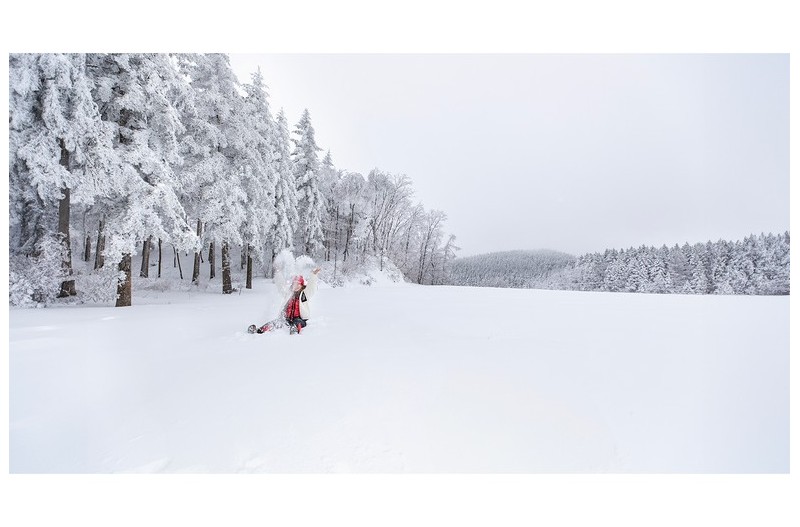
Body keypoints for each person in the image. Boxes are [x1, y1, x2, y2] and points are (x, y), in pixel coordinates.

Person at [249, 267, 321, 335]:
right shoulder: (289, 293)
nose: (296, 286)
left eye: (298, 284)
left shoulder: (304, 294)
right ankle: (259, 330)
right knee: (275, 322)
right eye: (295, 284)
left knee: (297, 322)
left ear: (302, 285)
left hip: (300, 318)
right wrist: (278, 274)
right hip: (286, 318)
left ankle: (295, 330)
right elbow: (281, 286)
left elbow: (311, 287)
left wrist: (313, 275)